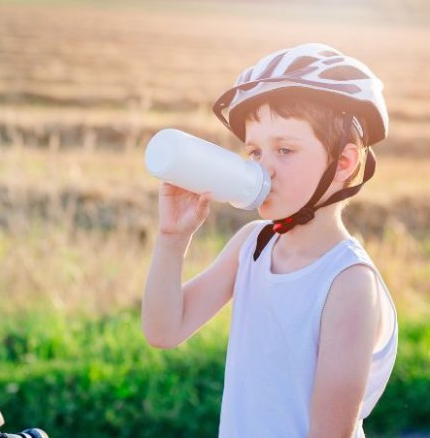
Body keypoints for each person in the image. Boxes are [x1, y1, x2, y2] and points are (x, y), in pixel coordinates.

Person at [141, 43, 398, 438]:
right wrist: (172, 239)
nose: (264, 167)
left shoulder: (347, 282)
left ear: (343, 163)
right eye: (255, 151)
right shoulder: (253, 244)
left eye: (285, 149)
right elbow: (163, 331)